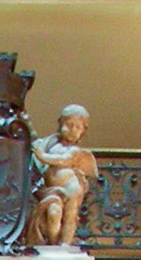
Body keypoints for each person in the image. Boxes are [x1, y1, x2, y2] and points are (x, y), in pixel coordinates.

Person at [31, 103, 99, 249]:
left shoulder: (75, 151)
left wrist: (43, 156)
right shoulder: (50, 143)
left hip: (71, 186)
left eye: (78, 127)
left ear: (83, 132)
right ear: (60, 124)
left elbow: (64, 160)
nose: (72, 129)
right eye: (69, 124)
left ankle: (65, 243)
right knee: (53, 213)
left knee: (70, 216)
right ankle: (53, 244)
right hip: (52, 190)